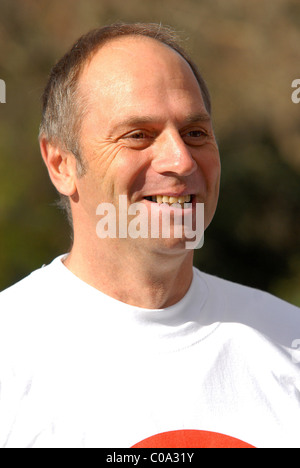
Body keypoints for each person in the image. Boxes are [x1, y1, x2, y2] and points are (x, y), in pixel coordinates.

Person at [0, 22, 299, 449]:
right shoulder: (9, 355)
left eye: (196, 133)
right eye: (138, 135)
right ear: (61, 163)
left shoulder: (288, 342)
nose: (180, 160)